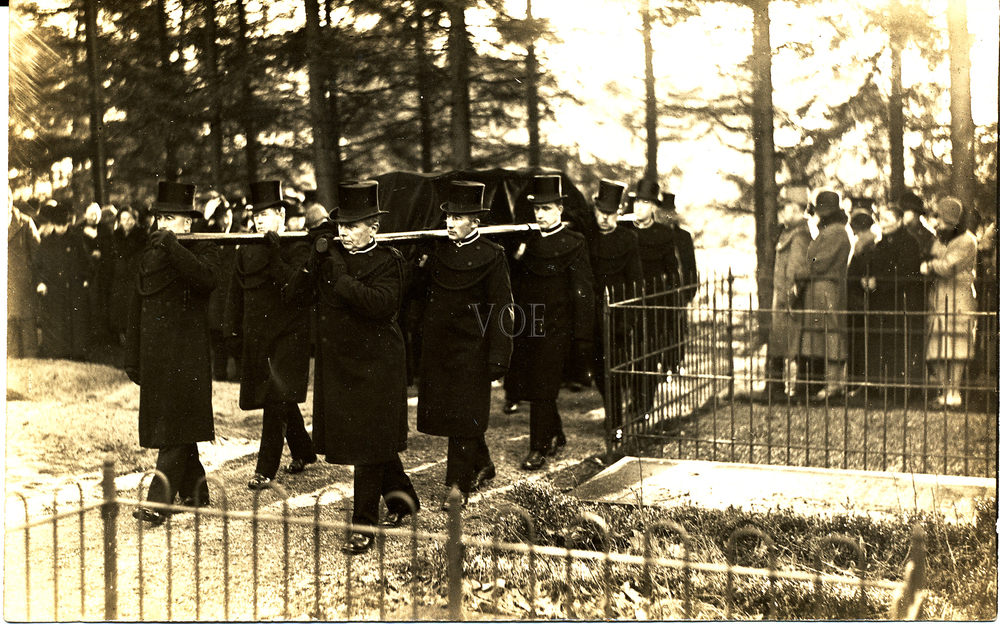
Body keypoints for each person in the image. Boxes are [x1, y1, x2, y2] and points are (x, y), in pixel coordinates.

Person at [290, 180, 419, 555]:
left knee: (367, 444)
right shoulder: (330, 257)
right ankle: (403, 500)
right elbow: (294, 295)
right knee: (372, 440)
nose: (344, 233)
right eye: (341, 226)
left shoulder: (389, 262)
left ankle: (364, 525)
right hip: (341, 364)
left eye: (353, 226)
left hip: (379, 364)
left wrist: (339, 274)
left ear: (373, 228)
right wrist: (313, 261)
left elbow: (379, 305)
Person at [413, 180, 514, 509]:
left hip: (473, 349)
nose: (450, 223)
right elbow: (419, 293)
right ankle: (483, 463)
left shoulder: (493, 256)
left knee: (465, 413)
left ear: (475, 221)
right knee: (457, 414)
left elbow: (502, 308)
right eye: (448, 217)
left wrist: (499, 356)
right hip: (440, 348)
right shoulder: (438, 252)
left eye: (457, 217)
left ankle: (458, 485)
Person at [126, 181, 220, 526]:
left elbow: (207, 279)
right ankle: (196, 491)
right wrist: (133, 356)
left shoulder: (204, 250)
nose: (163, 225)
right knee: (178, 425)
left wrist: (174, 247)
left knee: (175, 428)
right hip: (157, 357)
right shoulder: (150, 255)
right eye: (160, 218)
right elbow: (137, 306)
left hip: (187, 357)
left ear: (188, 223)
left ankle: (157, 503)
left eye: (171, 219)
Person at [225, 181, 318, 491]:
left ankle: (265, 469)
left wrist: (276, 252)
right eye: (256, 216)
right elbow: (236, 292)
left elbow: (295, 289)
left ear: (281, 215)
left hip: (290, 335)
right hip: (259, 337)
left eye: (266, 215)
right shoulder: (247, 248)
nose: (259, 221)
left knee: (275, 400)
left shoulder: (298, 246)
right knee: (280, 398)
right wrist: (232, 330)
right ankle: (304, 450)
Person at [504, 174, 595, 471]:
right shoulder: (529, 244)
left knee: (543, 385)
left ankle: (538, 447)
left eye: (546, 209)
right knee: (536, 384)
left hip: (558, 328)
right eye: (537, 209)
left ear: (560, 210)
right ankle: (556, 434)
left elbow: (583, 291)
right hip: (531, 326)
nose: (540, 214)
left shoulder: (574, 243)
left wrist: (582, 336)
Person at [584, 179, 642, 429]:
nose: (605, 218)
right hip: (592, 315)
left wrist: (628, 320)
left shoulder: (628, 239)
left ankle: (615, 422)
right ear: (595, 211)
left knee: (616, 371)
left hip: (618, 315)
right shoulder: (587, 238)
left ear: (618, 213)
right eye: (601, 212)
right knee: (598, 370)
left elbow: (635, 282)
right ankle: (612, 413)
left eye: (610, 213)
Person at [793, 189, 851, 400]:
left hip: (826, 289)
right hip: (819, 289)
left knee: (830, 334)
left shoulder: (835, 232)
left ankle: (834, 384)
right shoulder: (832, 231)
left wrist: (801, 272)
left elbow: (819, 263)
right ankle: (824, 383)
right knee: (821, 335)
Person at [623, 178, 676, 414]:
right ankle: (629, 401)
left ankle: (642, 406)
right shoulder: (625, 231)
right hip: (627, 300)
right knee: (627, 355)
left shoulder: (664, 234)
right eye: (637, 202)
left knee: (648, 356)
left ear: (654, 206)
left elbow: (672, 273)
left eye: (645, 203)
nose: (639, 207)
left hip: (654, 303)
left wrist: (670, 305)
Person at [921, 197, 977, 409]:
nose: (937, 223)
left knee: (957, 349)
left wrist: (930, 266)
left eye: (942, 219)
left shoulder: (967, 240)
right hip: (939, 298)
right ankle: (946, 391)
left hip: (958, 299)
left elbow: (947, 267)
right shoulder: (941, 238)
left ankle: (953, 394)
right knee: (936, 349)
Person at [864, 201, 923, 404]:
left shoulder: (909, 242)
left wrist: (879, 281)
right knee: (882, 345)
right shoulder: (880, 244)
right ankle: (882, 388)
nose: (883, 223)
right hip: (881, 302)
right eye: (881, 219)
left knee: (899, 346)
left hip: (901, 302)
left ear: (899, 221)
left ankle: (900, 392)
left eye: (887, 220)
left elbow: (906, 271)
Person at [764, 193, 812, 400]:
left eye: (785, 209)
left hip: (788, 302)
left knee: (792, 344)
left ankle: (784, 387)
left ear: (795, 209)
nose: (782, 213)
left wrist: (789, 299)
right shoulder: (790, 233)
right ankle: (776, 385)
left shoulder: (799, 235)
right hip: (783, 299)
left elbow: (796, 271)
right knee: (782, 343)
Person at [34, 201, 94, 360]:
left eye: (64, 224)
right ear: (53, 224)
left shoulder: (76, 240)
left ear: (68, 223)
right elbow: (38, 266)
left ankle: (78, 353)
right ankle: (57, 352)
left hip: (74, 288)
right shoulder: (46, 242)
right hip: (54, 289)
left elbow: (86, 262)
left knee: (76, 322)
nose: (61, 228)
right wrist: (41, 282)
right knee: (57, 321)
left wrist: (86, 279)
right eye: (58, 224)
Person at [655, 191, 698, 374]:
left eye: (670, 212)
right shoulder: (654, 233)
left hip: (678, 290)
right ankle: (659, 363)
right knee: (658, 328)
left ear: (674, 214)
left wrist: (689, 292)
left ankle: (675, 363)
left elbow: (690, 266)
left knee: (677, 328)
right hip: (659, 290)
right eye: (663, 212)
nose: (667, 216)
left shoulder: (684, 236)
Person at [845, 197, 877, 391]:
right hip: (857, 301)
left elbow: (862, 275)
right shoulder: (864, 245)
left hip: (859, 302)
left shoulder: (865, 248)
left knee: (858, 345)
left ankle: (856, 383)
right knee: (857, 344)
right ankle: (855, 382)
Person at [108, 207, 148, 346]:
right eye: (123, 219)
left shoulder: (142, 237)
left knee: (133, 306)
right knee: (119, 307)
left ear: (135, 220)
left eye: (130, 219)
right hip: (119, 277)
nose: (127, 222)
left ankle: (133, 337)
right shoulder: (115, 236)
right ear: (119, 221)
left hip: (134, 277)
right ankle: (121, 335)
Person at [7, 193, 41, 358]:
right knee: (8, 327)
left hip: (23, 285)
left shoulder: (25, 222)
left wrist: (36, 280)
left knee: (27, 324)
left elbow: (38, 255)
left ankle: (31, 361)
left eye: (7, 198)